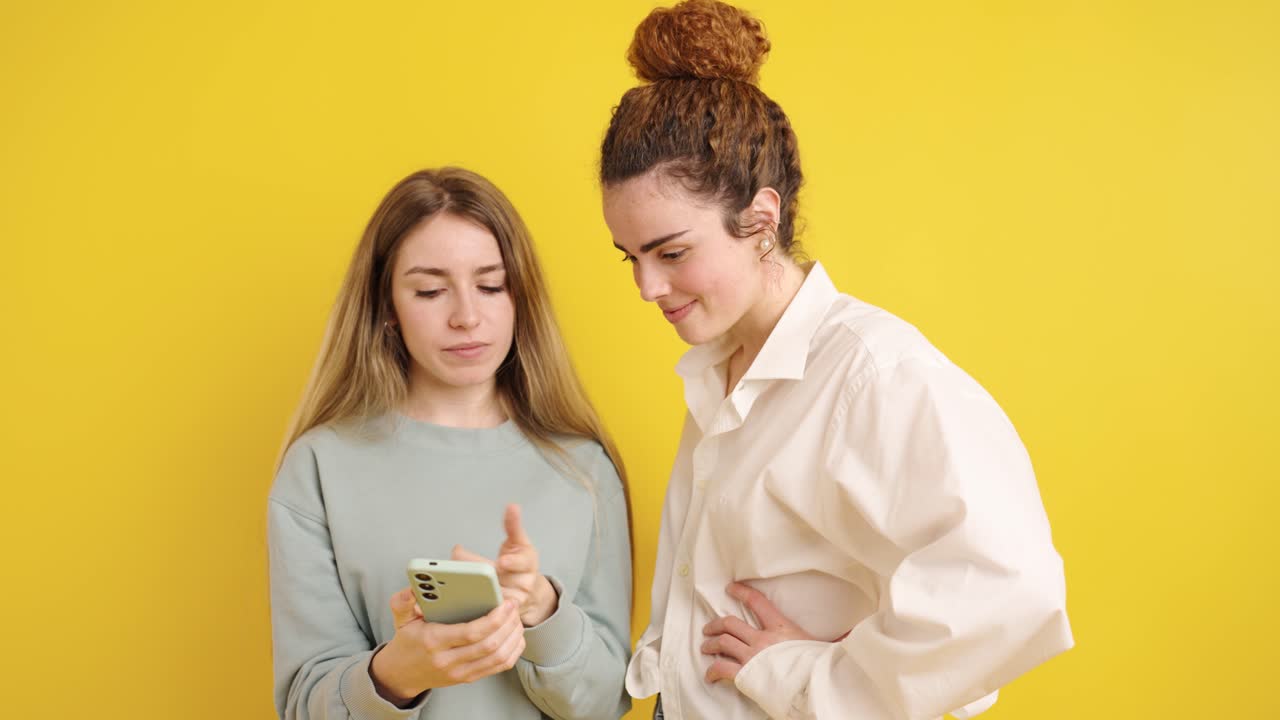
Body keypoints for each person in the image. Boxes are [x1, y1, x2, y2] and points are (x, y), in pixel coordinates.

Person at [598, 2, 1074, 718]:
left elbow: (1012, 590)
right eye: (630, 257)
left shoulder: (874, 376)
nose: (647, 287)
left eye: (671, 253)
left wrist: (810, 675)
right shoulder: (720, 366)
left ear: (761, 220)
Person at [268, 167, 632, 719]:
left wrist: (543, 610)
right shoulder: (318, 467)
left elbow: (607, 702)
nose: (467, 317)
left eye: (491, 286)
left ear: (521, 297)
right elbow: (303, 705)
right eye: (431, 291)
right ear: (387, 308)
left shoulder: (584, 467)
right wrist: (399, 672)